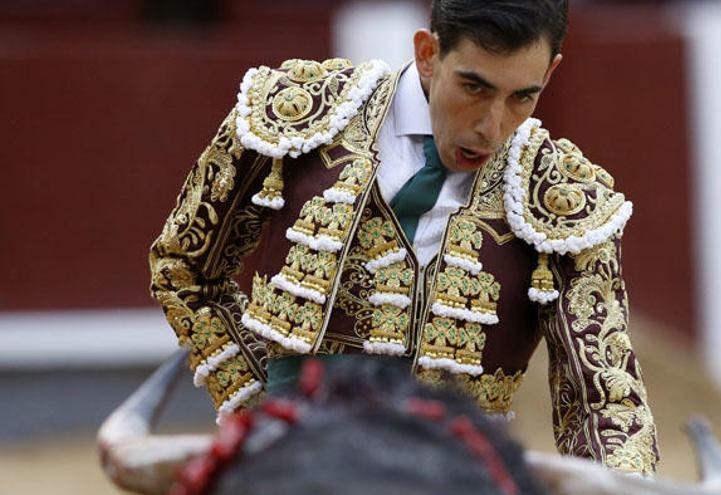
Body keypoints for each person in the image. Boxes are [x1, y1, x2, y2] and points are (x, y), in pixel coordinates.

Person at [149, 0, 658, 475]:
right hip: (298, 468)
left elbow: (603, 399)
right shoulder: (300, 115)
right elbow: (184, 269)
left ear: (550, 74)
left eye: (523, 95)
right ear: (428, 53)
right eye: (474, 87)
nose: (491, 125)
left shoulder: (563, 196)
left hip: (455, 476)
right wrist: (259, 411)